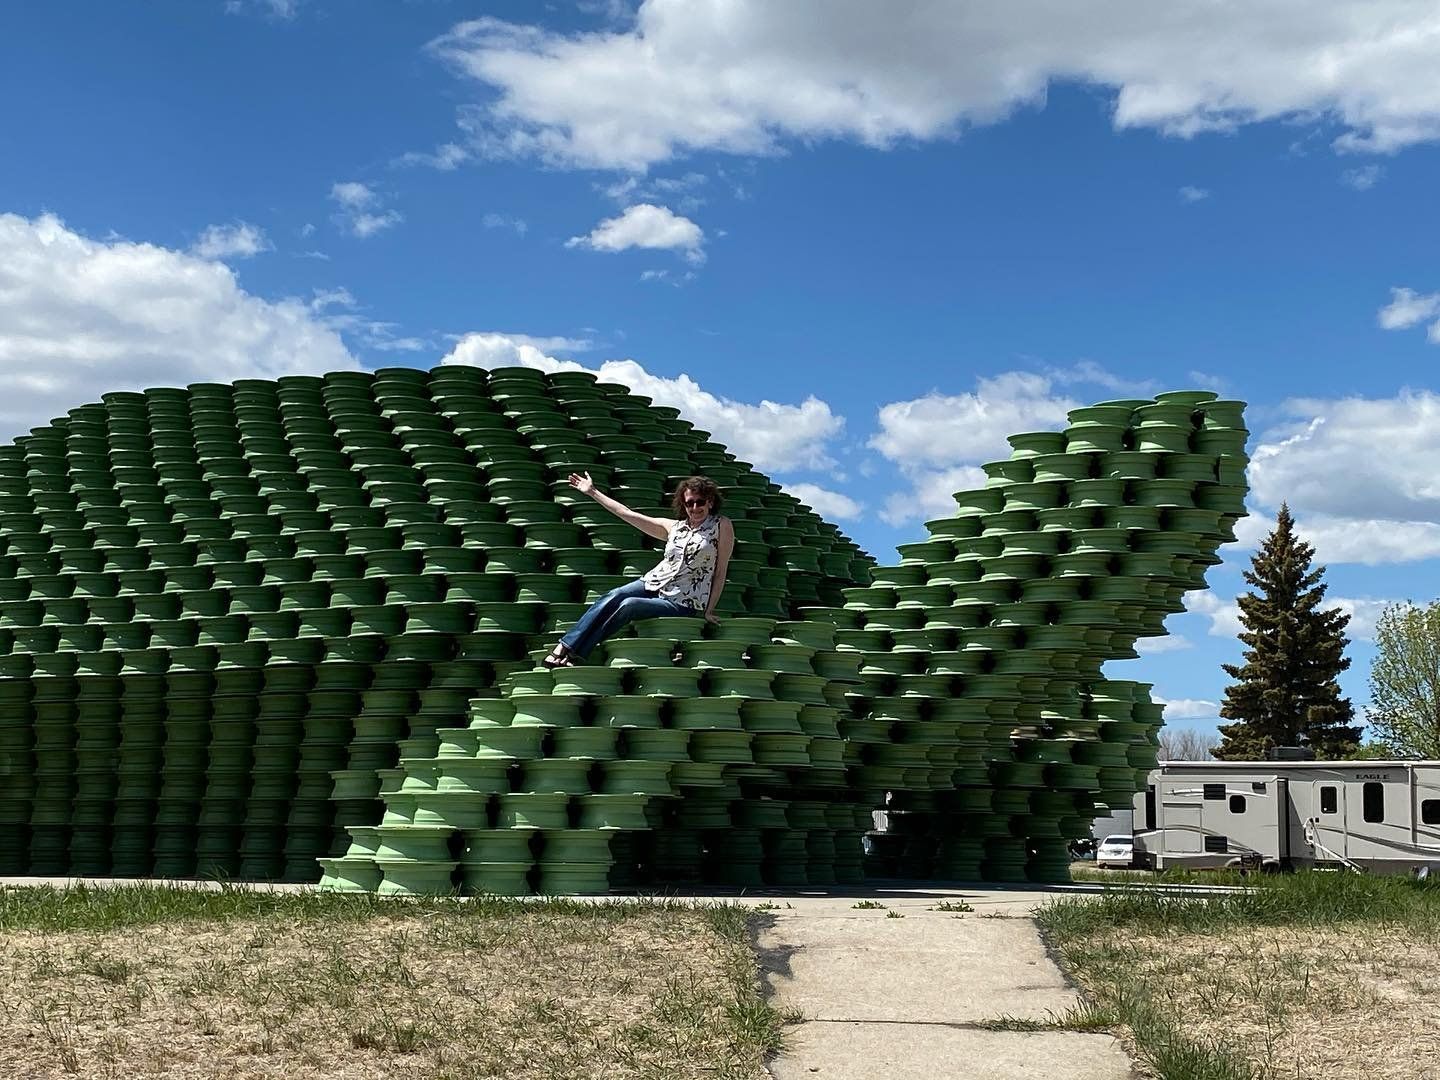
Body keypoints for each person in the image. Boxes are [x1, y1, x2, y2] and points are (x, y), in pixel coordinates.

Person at [542, 473, 735, 667]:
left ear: (710, 502)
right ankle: (563, 647)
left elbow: (721, 570)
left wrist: (709, 609)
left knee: (629, 604)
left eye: (700, 502)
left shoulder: (721, 525)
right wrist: (593, 492)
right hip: (654, 581)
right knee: (614, 594)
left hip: (683, 600)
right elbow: (627, 513)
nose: (694, 508)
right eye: (689, 503)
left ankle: (576, 654)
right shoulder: (674, 527)